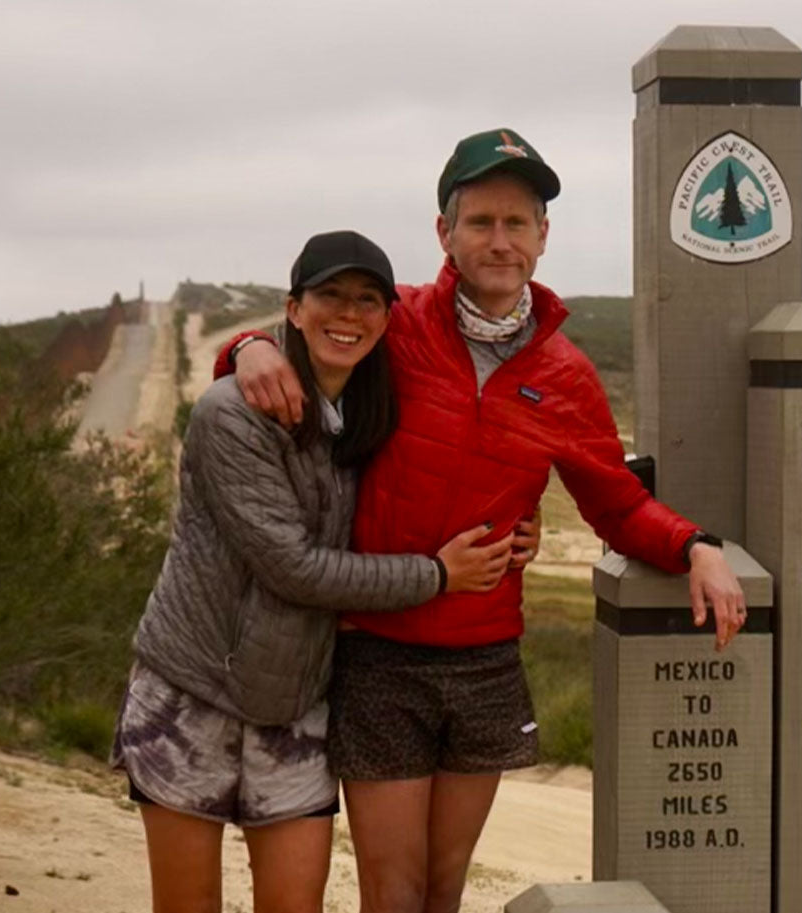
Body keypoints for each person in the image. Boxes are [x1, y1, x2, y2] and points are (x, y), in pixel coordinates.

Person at [214, 129, 747, 913]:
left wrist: (695, 545)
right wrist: (251, 345)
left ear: (542, 237)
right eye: (480, 223)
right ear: (445, 233)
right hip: (379, 652)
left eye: (517, 223)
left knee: (442, 888)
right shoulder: (397, 325)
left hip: (486, 656)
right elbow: (310, 336)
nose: (499, 241)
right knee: (392, 890)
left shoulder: (565, 373)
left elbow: (618, 504)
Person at [115, 229, 537, 913]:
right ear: (293, 307)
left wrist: (519, 520)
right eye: (330, 297)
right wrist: (436, 575)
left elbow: (447, 471)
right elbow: (291, 568)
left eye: (367, 300)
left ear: (386, 317)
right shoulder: (233, 414)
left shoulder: (374, 409)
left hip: (297, 700)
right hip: (191, 691)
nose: (349, 315)